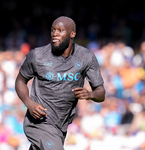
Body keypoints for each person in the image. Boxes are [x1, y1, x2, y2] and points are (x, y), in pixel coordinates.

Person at [15, 16, 105, 150]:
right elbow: (20, 81)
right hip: (38, 121)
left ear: (72, 34)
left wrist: (90, 94)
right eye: (53, 30)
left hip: (61, 124)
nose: (55, 33)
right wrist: (29, 103)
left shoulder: (86, 57)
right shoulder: (37, 55)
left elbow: (101, 94)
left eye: (60, 30)